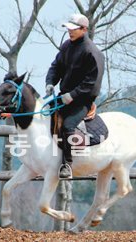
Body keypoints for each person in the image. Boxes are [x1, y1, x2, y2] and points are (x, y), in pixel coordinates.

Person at [45, 13, 105, 178]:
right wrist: (50, 82)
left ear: (84, 29)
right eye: (68, 29)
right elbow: (56, 66)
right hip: (63, 97)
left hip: (82, 102)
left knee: (67, 126)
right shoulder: (66, 46)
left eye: (73, 29)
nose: (69, 32)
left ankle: (67, 164)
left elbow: (92, 84)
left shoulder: (92, 52)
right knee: (44, 119)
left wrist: (72, 95)